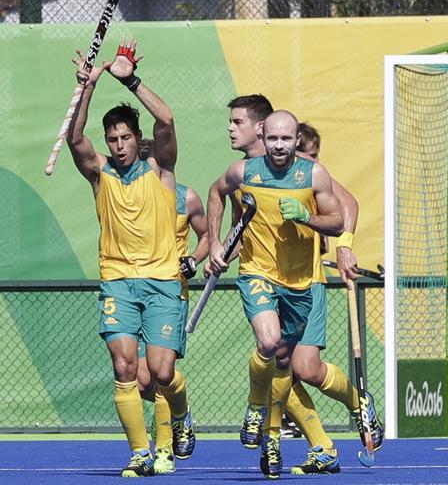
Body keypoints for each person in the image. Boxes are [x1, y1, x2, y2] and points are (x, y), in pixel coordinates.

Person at [66, 38, 195, 477]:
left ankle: (178, 414)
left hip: (162, 281)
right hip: (118, 279)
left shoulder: (161, 170)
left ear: (138, 140)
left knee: (160, 372)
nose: (118, 145)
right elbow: (75, 137)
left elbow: (167, 118)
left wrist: (131, 79)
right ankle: (144, 453)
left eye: (125, 137)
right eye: (113, 139)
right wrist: (88, 85)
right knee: (124, 366)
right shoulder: (99, 173)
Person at [207, 110, 344, 479]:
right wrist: (216, 243)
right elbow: (216, 193)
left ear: (296, 138)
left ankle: (273, 438)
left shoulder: (313, 174)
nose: (279, 146)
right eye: (273, 139)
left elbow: (339, 221)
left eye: (286, 139)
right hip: (257, 274)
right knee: (268, 343)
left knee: (285, 363)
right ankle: (255, 407)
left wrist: (306, 216)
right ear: (263, 136)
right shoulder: (244, 172)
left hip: (300, 284)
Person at [283, 122, 384, 476]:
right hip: (271, 285)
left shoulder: (311, 176)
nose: (313, 165)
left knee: (305, 368)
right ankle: (321, 448)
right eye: (308, 157)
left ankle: (358, 403)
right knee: (280, 376)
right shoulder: (260, 173)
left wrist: (344, 246)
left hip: (307, 281)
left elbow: (348, 203)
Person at [135, 139, 208, 475]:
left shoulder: (185, 197)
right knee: (142, 381)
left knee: (161, 374)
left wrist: (194, 259)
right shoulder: (129, 196)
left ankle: (163, 450)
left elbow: (206, 235)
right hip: (134, 292)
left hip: (170, 294)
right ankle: (180, 410)